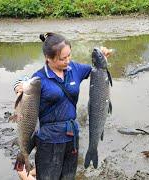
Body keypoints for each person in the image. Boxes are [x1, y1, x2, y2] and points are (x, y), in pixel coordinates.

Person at [13, 32, 111, 180]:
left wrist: (103, 56)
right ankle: (26, 174)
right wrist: (17, 86)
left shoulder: (74, 69)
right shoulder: (40, 77)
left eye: (69, 56)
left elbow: (97, 70)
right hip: (49, 141)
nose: (67, 61)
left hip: (71, 138)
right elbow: (25, 82)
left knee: (68, 176)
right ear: (48, 58)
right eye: (62, 58)